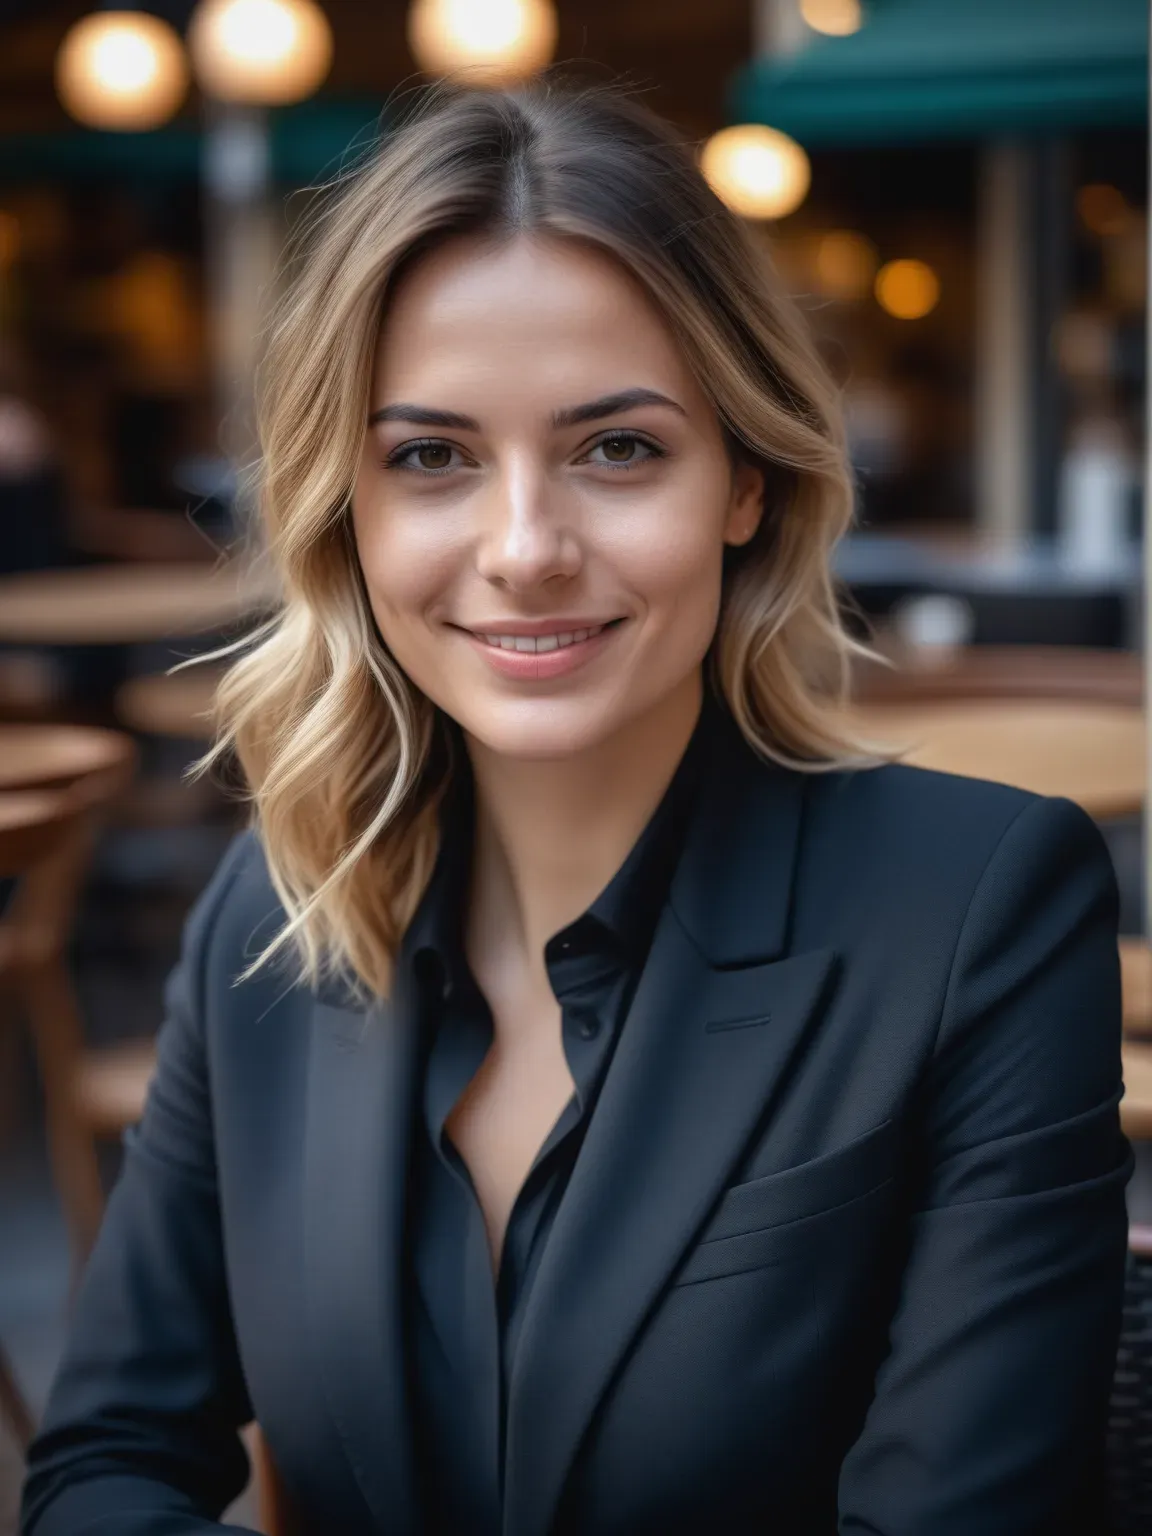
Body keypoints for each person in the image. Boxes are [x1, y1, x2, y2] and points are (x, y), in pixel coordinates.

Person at [20, 75, 1131, 1536]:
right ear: (344, 511)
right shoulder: (268, 917)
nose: (526, 547)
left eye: (620, 448)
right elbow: (104, 1465)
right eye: (431, 458)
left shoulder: (982, 912)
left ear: (745, 478)